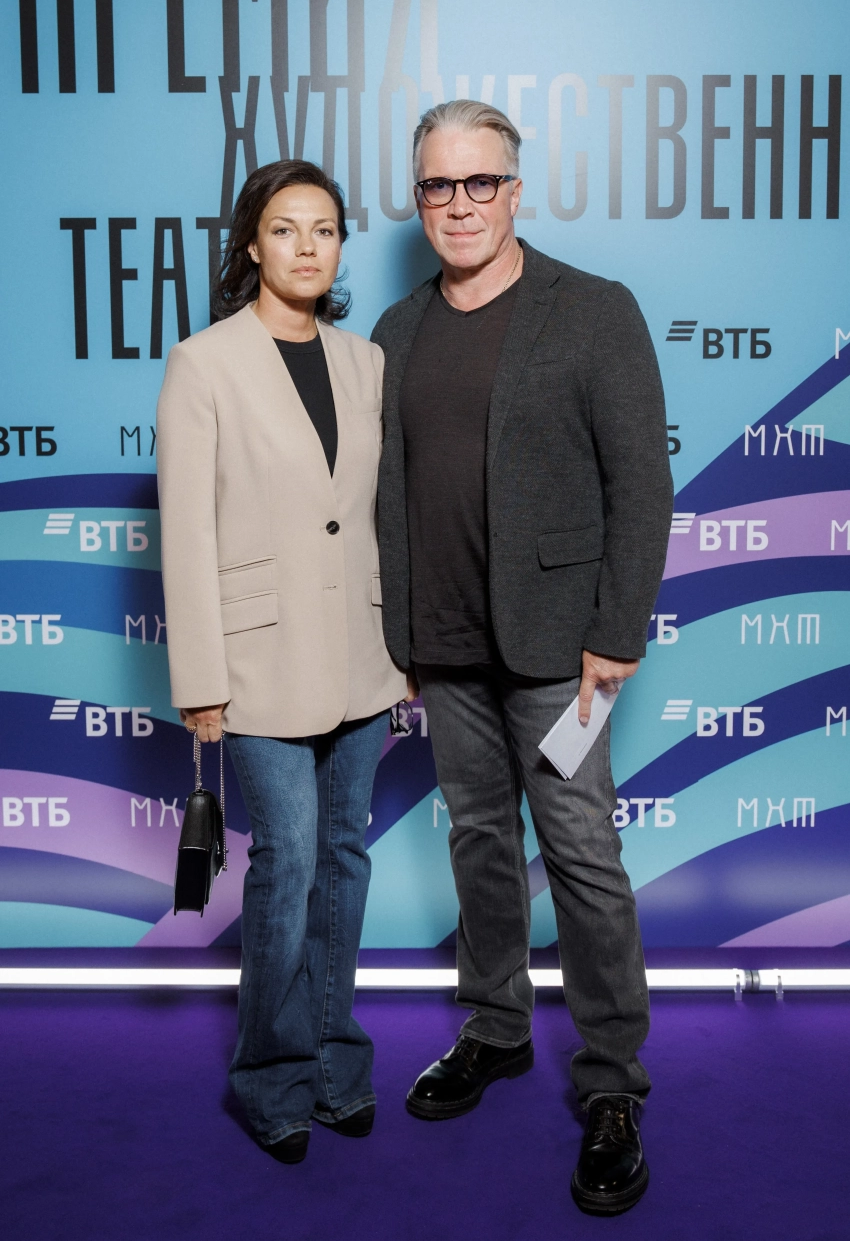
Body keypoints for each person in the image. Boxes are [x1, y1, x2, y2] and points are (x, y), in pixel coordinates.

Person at [372, 101, 673, 1216]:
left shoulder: (592, 309)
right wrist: (398, 637)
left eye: (479, 183)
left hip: (560, 653)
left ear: (514, 189)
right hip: (444, 644)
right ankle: (496, 1027)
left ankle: (613, 1082)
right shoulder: (396, 329)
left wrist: (616, 632)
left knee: (583, 855)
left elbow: (641, 483)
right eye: (436, 186)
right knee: (479, 842)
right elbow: (388, 495)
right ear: (418, 198)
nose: (458, 205)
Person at [157, 159, 408, 1165]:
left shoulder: (366, 361)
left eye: (325, 229)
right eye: (284, 228)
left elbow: (379, 516)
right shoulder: (203, 362)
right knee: (290, 857)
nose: (307, 246)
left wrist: (406, 645)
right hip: (257, 661)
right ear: (251, 245)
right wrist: (201, 680)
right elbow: (186, 530)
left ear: (341, 247)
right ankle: (271, 1076)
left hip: (363, 654)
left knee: (345, 856)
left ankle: (339, 1066)